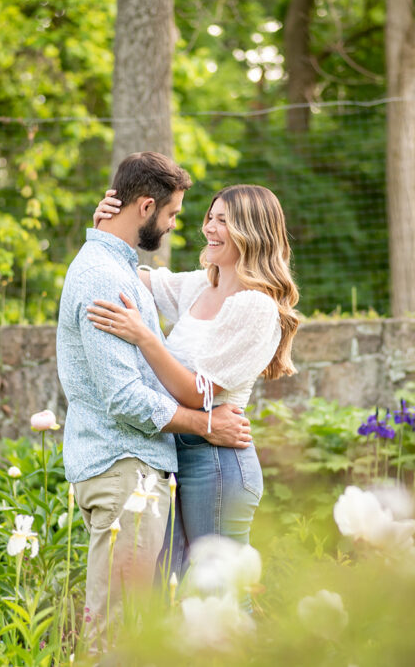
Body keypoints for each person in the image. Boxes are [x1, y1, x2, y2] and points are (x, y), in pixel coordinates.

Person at [56, 152, 253, 649]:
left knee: (138, 624)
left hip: (133, 467)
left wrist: (100, 229)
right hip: (127, 467)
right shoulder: (106, 278)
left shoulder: (115, 266)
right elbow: (124, 397)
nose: (173, 226)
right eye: (170, 215)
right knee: (119, 631)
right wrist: (205, 424)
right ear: (146, 206)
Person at [88, 183, 300, 592]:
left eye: (224, 221)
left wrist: (145, 338)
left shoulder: (255, 306)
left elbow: (196, 393)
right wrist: (106, 230)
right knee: (178, 594)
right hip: (176, 452)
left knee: (218, 596)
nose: (209, 228)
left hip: (215, 463)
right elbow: (133, 277)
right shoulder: (204, 285)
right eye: (210, 217)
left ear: (252, 232)